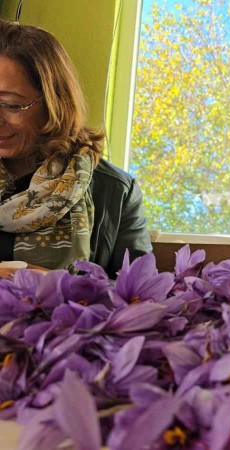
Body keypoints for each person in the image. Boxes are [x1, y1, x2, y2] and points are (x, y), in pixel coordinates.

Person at [0, 19, 151, 278]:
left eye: (12, 105)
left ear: (54, 104)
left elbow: (141, 291)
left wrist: (64, 286)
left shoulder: (114, 190)